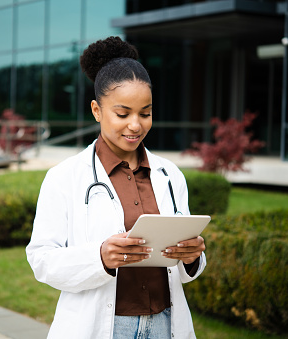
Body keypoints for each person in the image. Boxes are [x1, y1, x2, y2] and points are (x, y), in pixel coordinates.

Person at [26, 36, 206, 339]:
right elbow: (41, 260)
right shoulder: (64, 177)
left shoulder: (170, 174)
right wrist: (100, 257)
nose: (135, 125)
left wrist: (191, 257)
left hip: (165, 323)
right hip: (102, 328)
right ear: (97, 111)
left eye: (145, 113)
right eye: (122, 114)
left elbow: (184, 272)